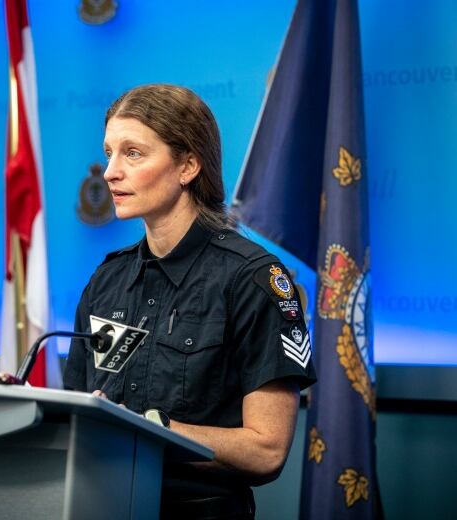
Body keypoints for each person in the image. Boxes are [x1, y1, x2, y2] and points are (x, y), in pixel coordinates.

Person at [63, 84, 316, 519]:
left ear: (188, 166)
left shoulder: (253, 278)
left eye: (133, 153)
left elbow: (267, 449)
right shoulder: (106, 280)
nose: (109, 171)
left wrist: (153, 431)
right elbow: (75, 420)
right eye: (109, 152)